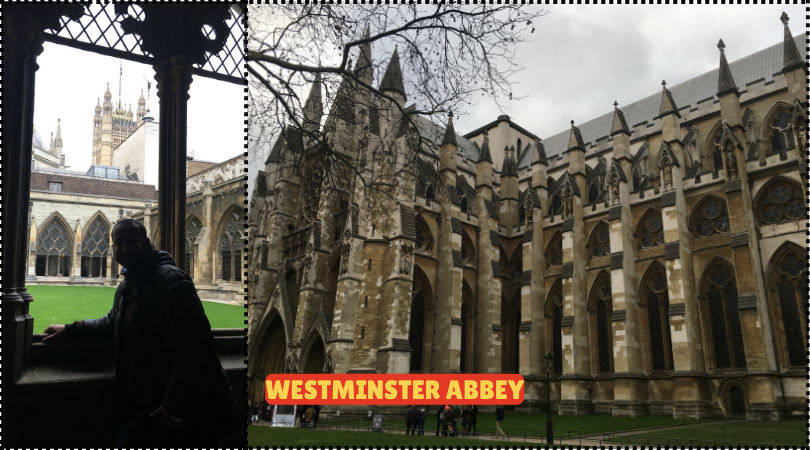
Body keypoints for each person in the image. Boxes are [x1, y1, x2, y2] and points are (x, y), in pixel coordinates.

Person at [42, 219, 238, 446]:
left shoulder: (172, 280)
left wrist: (174, 404)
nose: (125, 248)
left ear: (146, 242)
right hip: (146, 404)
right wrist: (70, 329)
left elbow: (196, 346)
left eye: (132, 241)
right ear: (113, 248)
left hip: (182, 410)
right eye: (119, 243)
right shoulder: (130, 283)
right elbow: (112, 322)